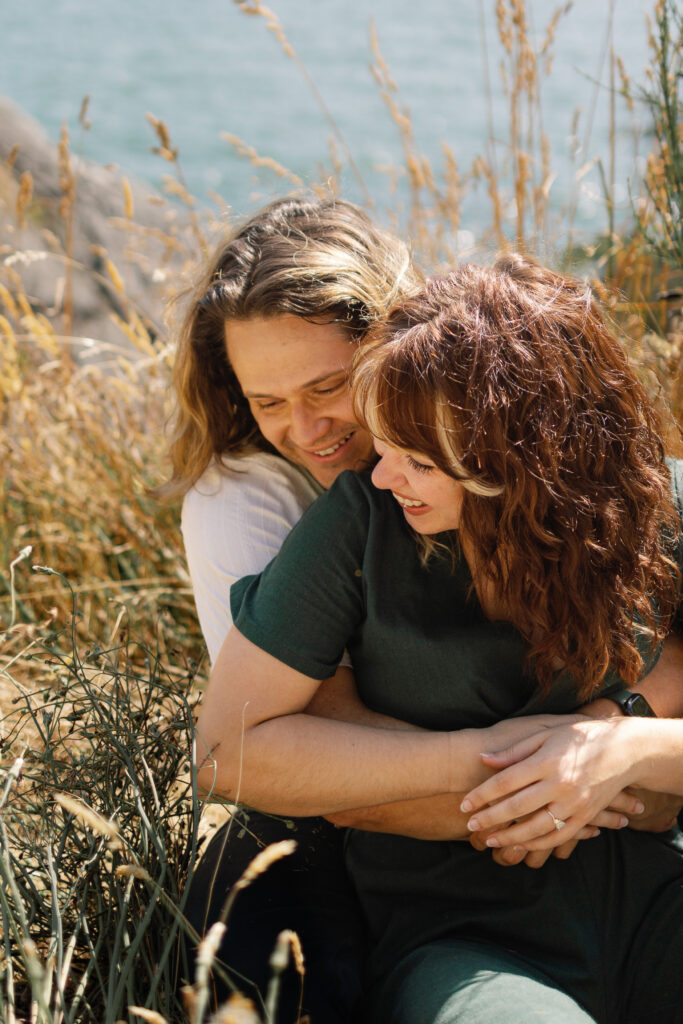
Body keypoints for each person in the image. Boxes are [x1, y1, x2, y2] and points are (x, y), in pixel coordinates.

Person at [196, 253, 683, 1023]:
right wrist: (509, 768)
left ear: (525, 459)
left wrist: (618, 752)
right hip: (465, 938)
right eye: (385, 447)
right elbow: (231, 749)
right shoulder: (359, 524)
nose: (382, 475)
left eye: (417, 460)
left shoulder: (656, 508)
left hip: (658, 896)